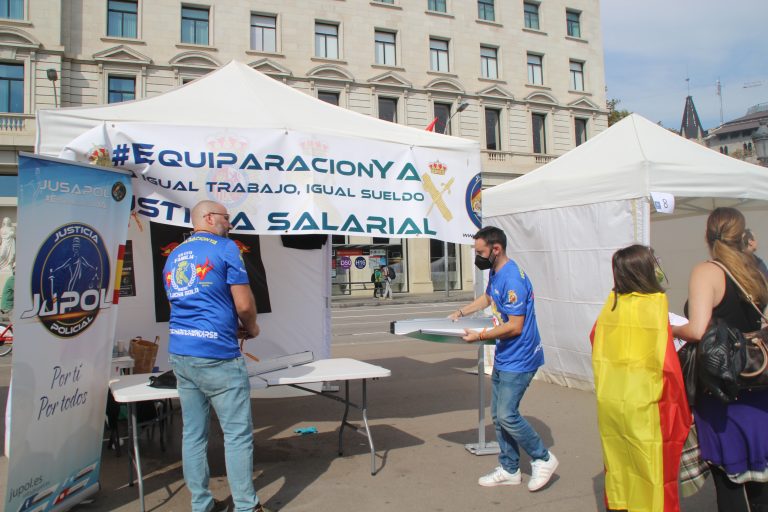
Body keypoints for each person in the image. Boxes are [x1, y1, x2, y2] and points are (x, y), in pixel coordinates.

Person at [164, 200, 268, 512]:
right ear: (209, 218)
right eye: (226, 217)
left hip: (182, 352)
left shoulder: (173, 257)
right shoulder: (225, 248)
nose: (230, 223)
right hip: (218, 356)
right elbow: (245, 306)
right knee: (236, 436)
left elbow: (180, 307)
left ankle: (201, 505)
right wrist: (251, 328)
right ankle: (247, 507)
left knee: (193, 435)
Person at [672, 207, 768, 512]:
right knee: (761, 485)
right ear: (743, 236)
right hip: (759, 380)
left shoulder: (707, 271)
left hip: (723, 388)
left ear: (707, 235)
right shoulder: (754, 267)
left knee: (729, 485)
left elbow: (698, 329)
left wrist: (669, 327)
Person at [448, 226, 558, 492]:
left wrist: (480, 335)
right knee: (498, 416)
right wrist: (462, 312)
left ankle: (543, 458)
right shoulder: (496, 272)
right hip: (505, 355)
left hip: (521, 357)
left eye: (481, 252)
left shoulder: (512, 280)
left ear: (496, 249)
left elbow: (515, 326)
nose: (478, 257)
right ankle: (510, 468)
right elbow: (488, 297)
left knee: (508, 415)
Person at [590, 245, 690, 512]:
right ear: (647, 270)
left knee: (620, 462)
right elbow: (667, 363)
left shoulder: (610, 306)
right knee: (653, 470)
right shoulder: (654, 305)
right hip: (648, 406)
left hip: (612, 403)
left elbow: (595, 342)